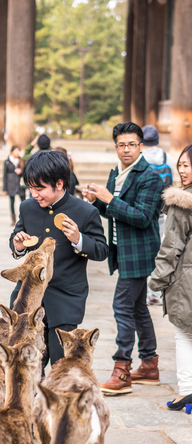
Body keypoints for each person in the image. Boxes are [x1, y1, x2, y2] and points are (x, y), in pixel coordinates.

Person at [83, 121, 164, 395]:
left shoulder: (150, 177)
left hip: (139, 253)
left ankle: (122, 369)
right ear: (116, 146)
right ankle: (150, 365)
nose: (126, 149)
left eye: (131, 144)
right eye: (121, 145)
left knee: (122, 306)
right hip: (123, 251)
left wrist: (109, 199)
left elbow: (142, 218)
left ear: (141, 146)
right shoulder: (116, 172)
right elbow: (113, 212)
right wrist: (97, 201)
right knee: (138, 308)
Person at [9, 150, 108, 368]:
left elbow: (101, 250)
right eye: (31, 188)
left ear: (60, 184)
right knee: (24, 365)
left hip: (64, 301)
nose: (34, 194)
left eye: (40, 188)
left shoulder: (85, 212)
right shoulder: (27, 207)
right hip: (27, 301)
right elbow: (16, 238)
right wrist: (17, 245)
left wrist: (79, 239)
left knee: (59, 365)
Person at [149, 144, 192, 412]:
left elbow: (172, 246)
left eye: (187, 164)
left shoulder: (182, 201)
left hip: (187, 281)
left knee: (183, 334)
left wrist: (157, 281)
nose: (182, 170)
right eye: (180, 165)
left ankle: (187, 392)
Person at [142, 125, 174, 306]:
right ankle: (157, 293)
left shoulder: (139, 158)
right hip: (162, 211)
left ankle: (146, 293)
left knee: (145, 253)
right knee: (160, 252)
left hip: (143, 211)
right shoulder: (166, 157)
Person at [3, 146, 26, 226]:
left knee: (23, 202)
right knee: (12, 202)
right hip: (11, 184)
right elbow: (4, 175)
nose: (17, 153)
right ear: (12, 151)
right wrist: (5, 188)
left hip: (20, 184)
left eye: (18, 151)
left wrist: (21, 171)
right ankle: (13, 220)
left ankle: (24, 218)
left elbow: (26, 171)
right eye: (16, 151)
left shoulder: (21, 160)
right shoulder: (7, 161)